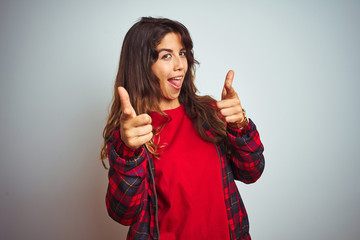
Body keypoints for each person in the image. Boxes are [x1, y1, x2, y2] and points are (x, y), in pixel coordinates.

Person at [100, 17, 265, 240]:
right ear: (141, 65)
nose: (180, 65)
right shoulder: (133, 134)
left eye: (182, 53)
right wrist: (128, 153)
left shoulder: (210, 113)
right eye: (166, 55)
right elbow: (123, 213)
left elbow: (252, 171)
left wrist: (240, 125)